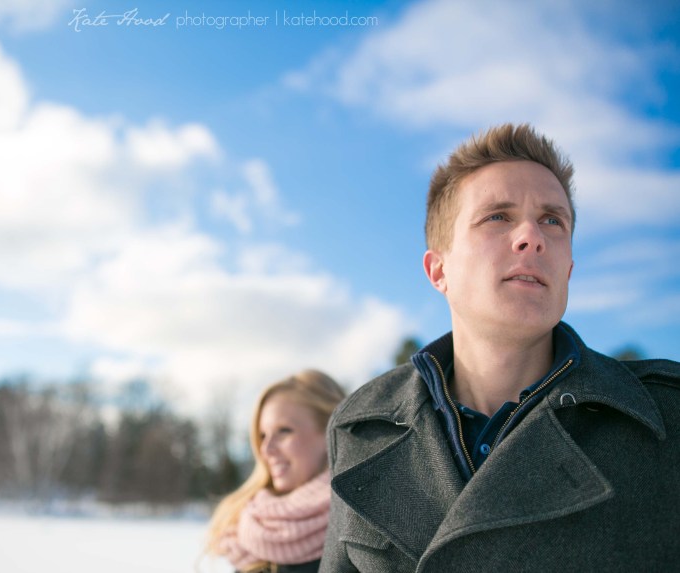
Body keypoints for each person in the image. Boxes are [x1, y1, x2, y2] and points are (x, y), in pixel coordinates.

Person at [319, 123, 680, 572]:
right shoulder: (360, 427)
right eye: (498, 216)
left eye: (553, 219)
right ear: (439, 270)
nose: (533, 235)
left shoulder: (668, 417)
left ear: (568, 269)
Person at [207, 369, 346, 573]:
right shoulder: (249, 530)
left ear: (330, 432)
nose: (266, 449)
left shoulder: (364, 529)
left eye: (284, 430)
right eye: (263, 435)